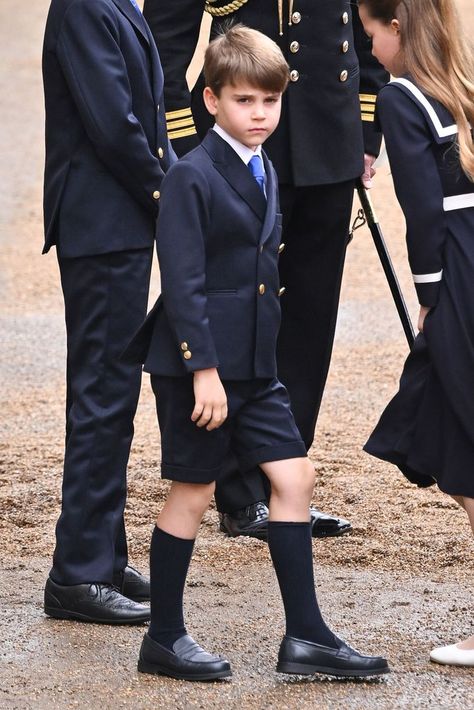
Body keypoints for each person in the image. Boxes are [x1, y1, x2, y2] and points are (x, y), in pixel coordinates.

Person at [126, 24, 390, 681]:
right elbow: (182, 282)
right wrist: (205, 370)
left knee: (294, 478)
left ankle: (306, 637)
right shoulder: (191, 176)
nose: (260, 115)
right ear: (210, 100)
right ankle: (163, 637)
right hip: (203, 368)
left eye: (269, 102)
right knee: (191, 493)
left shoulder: (264, 165)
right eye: (244, 101)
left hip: (255, 369)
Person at [41, 0, 175, 623]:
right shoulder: (81, 7)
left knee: (113, 391)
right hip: (102, 224)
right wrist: (164, 196)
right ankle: (78, 574)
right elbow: (114, 125)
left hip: (117, 223)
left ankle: (101, 553)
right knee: (102, 391)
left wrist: (175, 182)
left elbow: (148, 119)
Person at [358, 0, 474, 668]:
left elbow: (422, 211)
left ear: (396, 29)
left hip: (457, 270)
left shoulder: (402, 96)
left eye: (370, 33)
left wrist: (429, 295)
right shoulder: (458, 85)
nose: (367, 48)